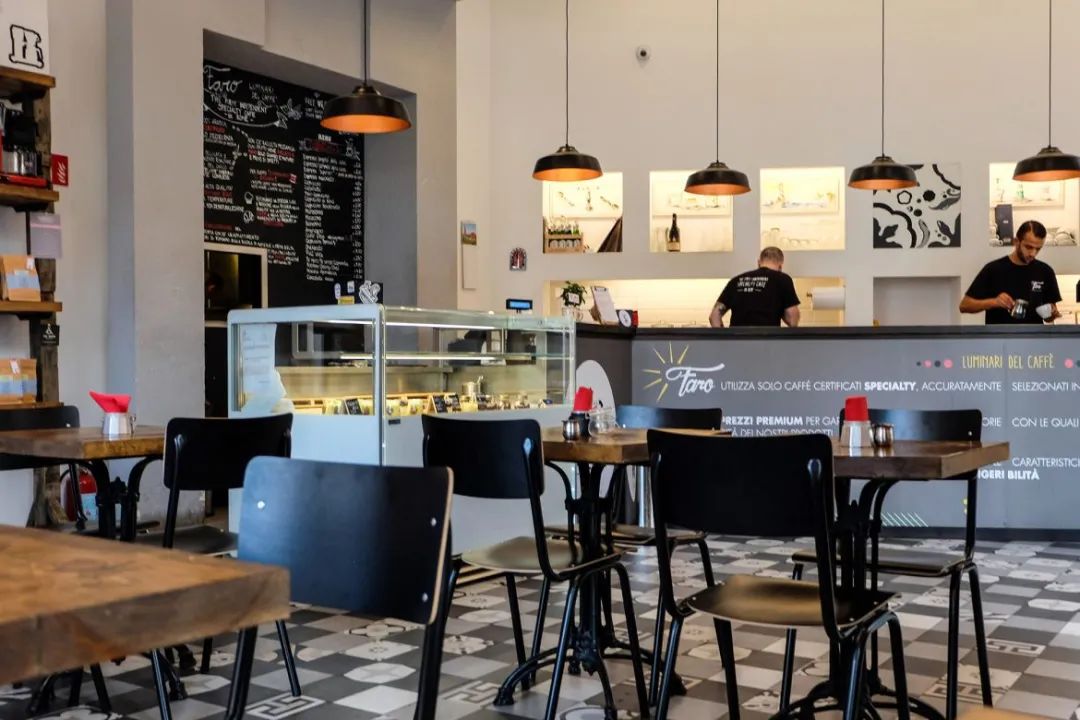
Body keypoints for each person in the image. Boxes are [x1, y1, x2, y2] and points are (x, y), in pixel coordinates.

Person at [960, 220, 1062, 324]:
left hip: (1033, 334)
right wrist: (994, 302)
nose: (1033, 253)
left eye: (1038, 249)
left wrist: (1052, 314)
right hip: (999, 333)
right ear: (1016, 242)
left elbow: (1048, 318)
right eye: (1028, 247)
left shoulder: (1045, 271)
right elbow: (965, 306)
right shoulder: (994, 269)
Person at [709, 246, 800, 327]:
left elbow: (714, 316)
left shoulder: (736, 280)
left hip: (738, 339)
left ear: (759, 262)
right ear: (780, 266)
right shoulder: (783, 279)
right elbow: (792, 318)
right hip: (767, 338)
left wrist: (725, 337)